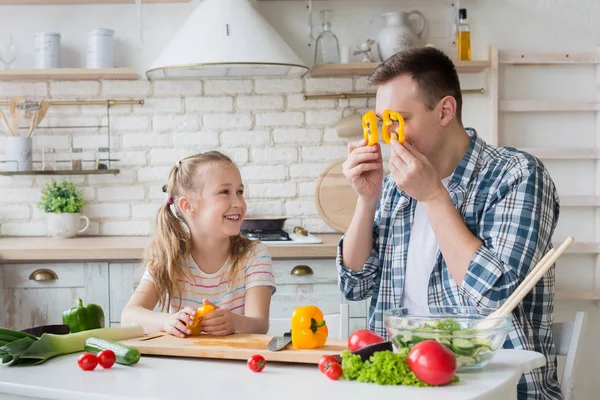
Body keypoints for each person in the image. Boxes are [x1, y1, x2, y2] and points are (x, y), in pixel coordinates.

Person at [337, 47, 561, 399]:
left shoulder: (517, 175)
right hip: (403, 386)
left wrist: (433, 197)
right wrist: (367, 201)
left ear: (444, 111)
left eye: (400, 120)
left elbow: (494, 298)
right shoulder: (395, 188)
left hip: (497, 388)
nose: (389, 135)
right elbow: (354, 284)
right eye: (384, 122)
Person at [122, 151, 276, 338]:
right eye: (224, 192)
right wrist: (167, 321)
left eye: (240, 192)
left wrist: (234, 322)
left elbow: (260, 324)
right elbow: (129, 316)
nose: (238, 202)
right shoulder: (169, 255)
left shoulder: (254, 255)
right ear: (188, 206)